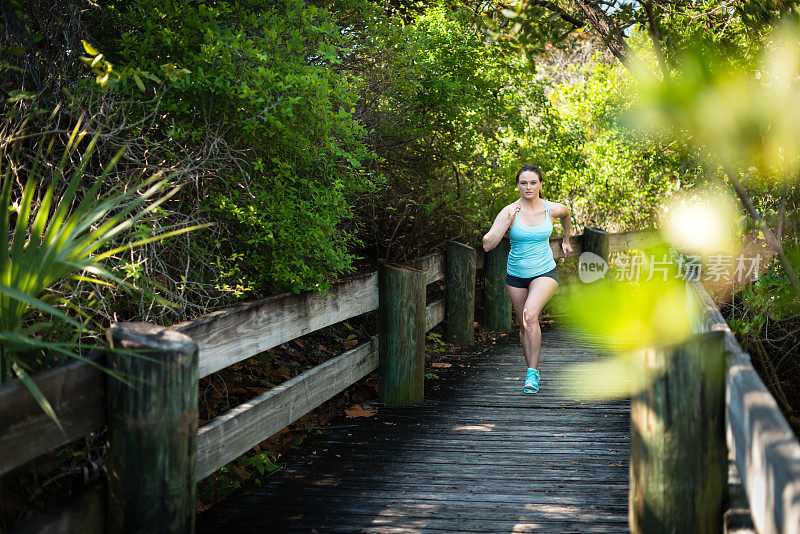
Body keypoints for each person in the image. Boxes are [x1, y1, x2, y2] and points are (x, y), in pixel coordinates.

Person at [482, 164, 573, 394]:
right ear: (518, 185)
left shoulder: (552, 209)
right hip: (516, 275)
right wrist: (507, 221)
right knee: (524, 325)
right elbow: (487, 244)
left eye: (533, 182)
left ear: (541, 184)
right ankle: (531, 368)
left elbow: (567, 214)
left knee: (530, 315)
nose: (528, 187)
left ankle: (532, 373)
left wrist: (566, 240)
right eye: (524, 183)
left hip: (544, 272)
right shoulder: (509, 211)